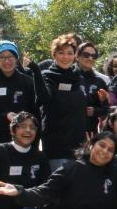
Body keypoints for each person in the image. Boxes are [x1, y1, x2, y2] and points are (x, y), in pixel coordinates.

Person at [27, 35, 87, 171]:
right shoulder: (47, 76)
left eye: (69, 53)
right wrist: (36, 71)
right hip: (57, 144)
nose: (65, 57)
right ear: (54, 54)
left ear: (75, 56)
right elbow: (44, 99)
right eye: (61, 53)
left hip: (79, 143)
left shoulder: (79, 76)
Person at [0, 40, 37, 147]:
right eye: (2, 57)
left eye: (10, 57)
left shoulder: (28, 82)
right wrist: (5, 116)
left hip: (24, 141)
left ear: (16, 59)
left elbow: (35, 112)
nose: (7, 61)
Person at [76, 42, 109, 136]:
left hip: (90, 131)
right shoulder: (69, 76)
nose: (90, 58)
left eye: (94, 56)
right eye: (86, 55)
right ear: (77, 56)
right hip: (69, 128)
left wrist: (96, 111)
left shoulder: (100, 81)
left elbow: (107, 109)